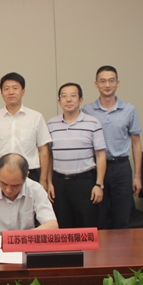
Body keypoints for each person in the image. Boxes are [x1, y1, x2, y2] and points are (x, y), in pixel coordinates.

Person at [82, 65, 143, 229]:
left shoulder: (129, 110)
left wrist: (137, 176)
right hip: (96, 169)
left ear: (118, 83)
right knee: (98, 218)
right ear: (96, 84)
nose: (107, 85)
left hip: (121, 167)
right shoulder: (87, 110)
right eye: (103, 81)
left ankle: (121, 247)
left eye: (111, 81)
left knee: (122, 218)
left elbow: (136, 144)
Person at [46, 83, 106, 228]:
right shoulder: (51, 124)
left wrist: (99, 184)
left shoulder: (93, 123)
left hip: (84, 181)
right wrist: (49, 182)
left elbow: (100, 155)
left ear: (80, 100)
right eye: (64, 96)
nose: (68, 100)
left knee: (87, 225)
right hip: (59, 183)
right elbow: (49, 156)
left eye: (73, 96)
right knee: (63, 226)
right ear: (59, 101)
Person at [0, 72, 51, 188]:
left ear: (23, 91)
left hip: (30, 174)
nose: (11, 92)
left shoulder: (36, 117)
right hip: (0, 174)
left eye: (15, 88)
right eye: (6, 89)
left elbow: (44, 150)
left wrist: (43, 180)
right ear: (1, 93)